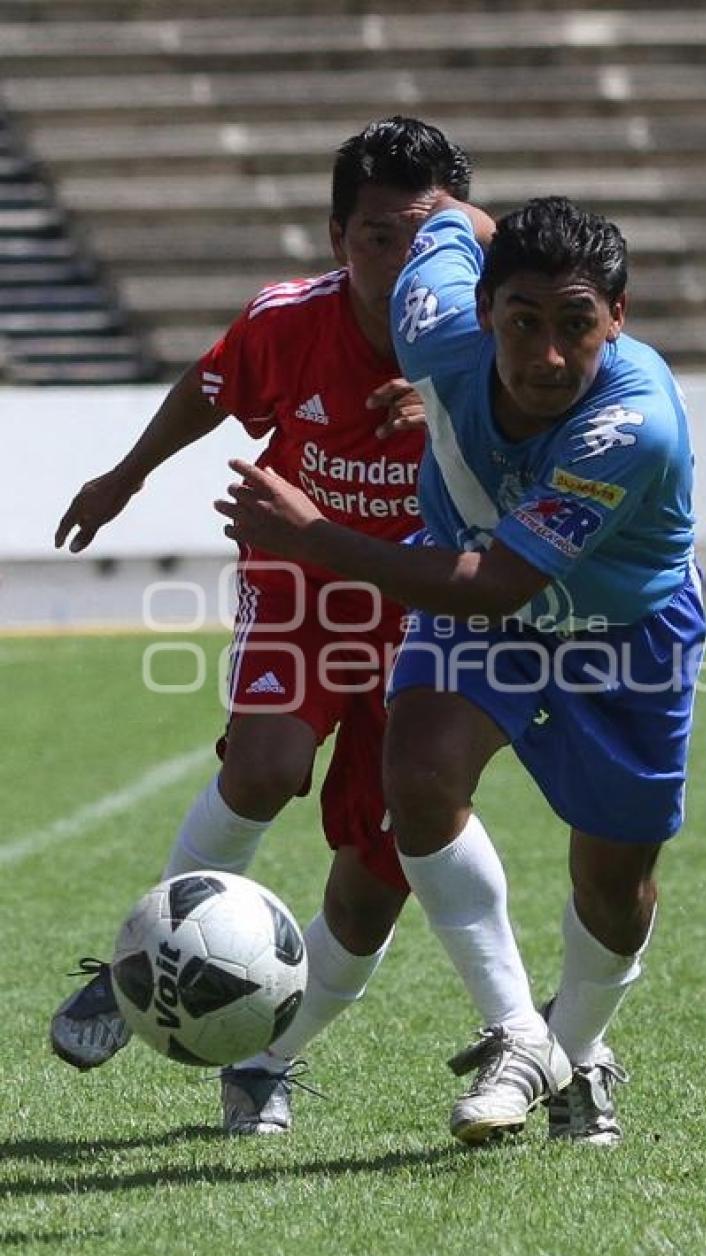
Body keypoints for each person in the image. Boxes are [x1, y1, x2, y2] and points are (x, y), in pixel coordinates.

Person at [214, 192, 706, 1147]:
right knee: (418, 777)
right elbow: (448, 215)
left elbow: (496, 583)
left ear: (620, 317)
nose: (549, 355)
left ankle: (575, 1049)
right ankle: (520, 1030)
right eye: (524, 321)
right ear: (481, 312)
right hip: (480, 605)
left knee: (614, 885)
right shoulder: (431, 315)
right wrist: (456, 236)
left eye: (577, 324)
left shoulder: (632, 424)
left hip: (624, 631)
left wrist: (317, 535)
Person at [49, 117, 472, 1135]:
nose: (401, 258)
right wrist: (124, 476)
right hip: (303, 576)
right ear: (337, 239)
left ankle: (266, 1061)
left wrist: (452, 403)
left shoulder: (493, 337)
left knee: (380, 876)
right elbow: (208, 387)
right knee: (267, 765)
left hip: (427, 606)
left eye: (425, 234)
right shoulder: (290, 323)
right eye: (377, 236)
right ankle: (138, 964)